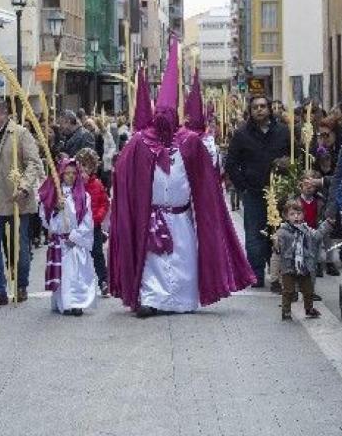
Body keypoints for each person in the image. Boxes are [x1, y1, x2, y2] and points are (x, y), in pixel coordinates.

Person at [109, 57, 255, 317]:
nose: (164, 118)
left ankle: (181, 300)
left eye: (169, 113)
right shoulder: (140, 143)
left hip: (181, 216)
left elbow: (205, 180)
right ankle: (152, 299)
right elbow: (122, 172)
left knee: (182, 258)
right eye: (160, 114)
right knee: (152, 261)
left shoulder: (189, 142)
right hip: (152, 216)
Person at [0, 99, 44, 306]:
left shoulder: (20, 134)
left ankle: (21, 285)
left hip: (16, 201)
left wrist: (24, 186)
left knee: (19, 247)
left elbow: (34, 163)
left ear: (4, 114)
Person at [224, 95, 290, 287]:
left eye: (263, 106)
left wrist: (288, 171)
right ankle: (256, 274)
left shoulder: (283, 132)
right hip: (254, 192)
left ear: (269, 109)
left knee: (278, 232)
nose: (259, 110)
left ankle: (277, 274)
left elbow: (296, 154)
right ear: (250, 111)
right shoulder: (242, 134)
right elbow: (231, 163)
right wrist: (242, 185)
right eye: (255, 107)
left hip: (279, 192)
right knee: (254, 234)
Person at [39, 158, 97, 316]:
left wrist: (76, 236)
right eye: (67, 173)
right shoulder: (55, 195)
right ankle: (64, 303)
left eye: (73, 173)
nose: (70, 176)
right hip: (60, 242)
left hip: (75, 241)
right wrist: (55, 209)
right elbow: (45, 219)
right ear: (61, 174)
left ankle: (76, 303)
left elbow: (87, 220)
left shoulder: (84, 196)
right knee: (63, 275)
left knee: (76, 274)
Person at [274, 199, 329, 320]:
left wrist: (326, 225)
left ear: (303, 215)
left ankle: (309, 309)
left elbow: (317, 236)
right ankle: (286, 310)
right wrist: (276, 244)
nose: (296, 217)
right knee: (288, 290)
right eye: (292, 214)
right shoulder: (282, 231)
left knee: (308, 290)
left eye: (298, 214)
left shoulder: (306, 229)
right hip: (289, 266)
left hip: (304, 265)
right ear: (286, 217)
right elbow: (278, 248)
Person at [75, 148, 110, 297]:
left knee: (97, 253)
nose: (83, 170)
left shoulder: (97, 184)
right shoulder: (75, 186)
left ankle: (103, 280)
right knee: (79, 255)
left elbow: (104, 202)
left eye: (87, 167)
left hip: (94, 225)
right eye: (81, 166)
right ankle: (79, 283)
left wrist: (98, 216)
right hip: (79, 227)